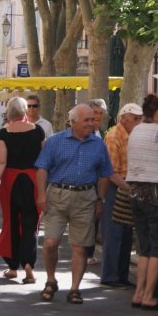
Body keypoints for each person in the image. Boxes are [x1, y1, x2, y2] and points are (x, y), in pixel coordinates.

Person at [34, 104, 114, 304]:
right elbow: (42, 169)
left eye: (93, 120)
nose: (91, 123)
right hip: (58, 195)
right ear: (73, 122)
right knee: (51, 242)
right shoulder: (55, 142)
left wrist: (100, 199)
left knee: (80, 247)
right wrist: (41, 195)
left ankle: (75, 289)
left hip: (86, 197)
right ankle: (51, 280)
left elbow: (105, 174)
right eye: (86, 120)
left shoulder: (98, 145)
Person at [127, 94, 158, 310]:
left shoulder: (135, 130)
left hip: (135, 191)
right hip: (156, 192)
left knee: (144, 247)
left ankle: (138, 293)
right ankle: (149, 295)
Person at [0, 97, 45, 283]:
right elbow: (44, 160)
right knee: (31, 223)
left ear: (9, 112)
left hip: (11, 182)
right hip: (32, 180)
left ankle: (12, 267)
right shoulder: (38, 131)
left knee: (10, 223)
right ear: (25, 111)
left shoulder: (3, 133)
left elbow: (1, 161)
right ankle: (28, 265)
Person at [99, 103, 142, 288]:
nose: (138, 122)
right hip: (117, 187)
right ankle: (110, 276)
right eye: (135, 119)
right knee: (114, 233)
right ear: (124, 118)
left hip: (126, 185)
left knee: (125, 234)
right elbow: (110, 171)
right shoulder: (113, 137)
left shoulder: (132, 136)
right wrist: (128, 188)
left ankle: (122, 275)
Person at [84, 98, 108, 265]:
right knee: (88, 220)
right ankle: (85, 253)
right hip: (88, 182)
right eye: (95, 112)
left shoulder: (104, 133)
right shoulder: (85, 133)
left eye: (101, 113)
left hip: (102, 180)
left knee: (96, 219)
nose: (98, 116)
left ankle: (89, 252)